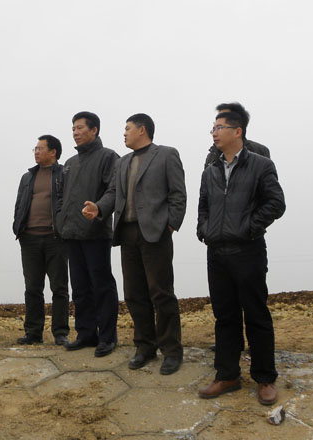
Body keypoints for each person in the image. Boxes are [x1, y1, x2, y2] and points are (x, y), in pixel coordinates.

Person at [82, 113, 187, 375]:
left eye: (127, 128)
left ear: (142, 129)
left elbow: (178, 194)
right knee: (134, 294)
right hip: (127, 233)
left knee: (161, 293)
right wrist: (99, 208)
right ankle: (145, 347)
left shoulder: (166, 154)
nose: (124, 133)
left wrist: (170, 225)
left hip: (155, 233)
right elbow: (113, 193)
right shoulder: (122, 162)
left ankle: (171, 350)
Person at [197, 107, 285, 405]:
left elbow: (276, 203)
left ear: (238, 131)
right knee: (224, 317)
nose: (214, 133)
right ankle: (227, 375)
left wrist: (248, 228)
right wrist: (204, 229)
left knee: (256, 314)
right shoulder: (211, 169)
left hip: (248, 251)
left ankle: (265, 378)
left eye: (219, 127)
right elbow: (204, 205)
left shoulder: (261, 165)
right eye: (213, 128)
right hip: (216, 253)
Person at [57, 111, 120, 357]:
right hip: (71, 233)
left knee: (102, 286)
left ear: (94, 130)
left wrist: (99, 208)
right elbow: (61, 197)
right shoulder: (70, 163)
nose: (75, 132)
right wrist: (61, 221)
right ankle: (86, 334)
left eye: (80, 127)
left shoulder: (108, 157)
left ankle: (107, 337)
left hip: (96, 233)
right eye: (73, 128)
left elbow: (114, 190)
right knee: (80, 287)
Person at [13, 135, 70, 346]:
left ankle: (60, 333)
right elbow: (20, 204)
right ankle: (33, 333)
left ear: (53, 152)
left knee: (59, 288)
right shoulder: (27, 177)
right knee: (32, 288)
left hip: (56, 238)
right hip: (29, 238)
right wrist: (18, 226)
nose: (36, 152)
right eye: (35, 149)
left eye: (40, 148)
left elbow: (69, 203)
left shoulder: (65, 174)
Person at [204, 103, 270, 169]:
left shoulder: (259, 151)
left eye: (220, 127)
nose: (214, 134)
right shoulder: (212, 157)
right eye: (214, 129)